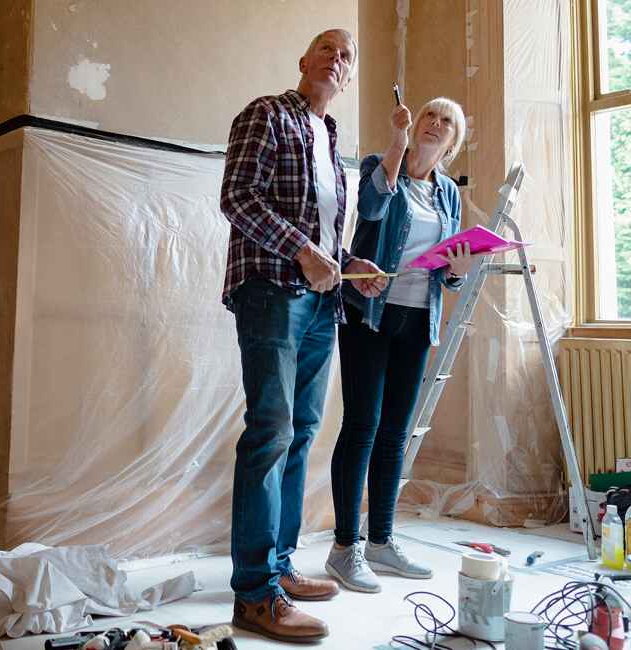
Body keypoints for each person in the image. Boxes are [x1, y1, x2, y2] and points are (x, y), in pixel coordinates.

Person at [219, 28, 388, 642]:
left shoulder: (331, 137)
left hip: (321, 303)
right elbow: (237, 197)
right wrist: (305, 251)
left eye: (346, 56)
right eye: (327, 48)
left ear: (347, 78)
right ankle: (254, 595)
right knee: (271, 431)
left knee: (302, 433)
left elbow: (321, 233)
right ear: (303, 61)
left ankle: (279, 568)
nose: (337, 59)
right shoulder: (267, 114)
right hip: (269, 291)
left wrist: (349, 264)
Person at [324, 97, 473, 593]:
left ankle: (382, 541)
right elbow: (370, 207)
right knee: (362, 426)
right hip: (370, 313)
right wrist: (397, 143)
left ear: (454, 140)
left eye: (446, 121)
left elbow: (447, 276)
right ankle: (346, 548)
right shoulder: (379, 166)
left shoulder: (449, 193)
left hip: (417, 319)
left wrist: (456, 271)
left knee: (395, 434)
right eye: (430, 114)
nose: (435, 123)